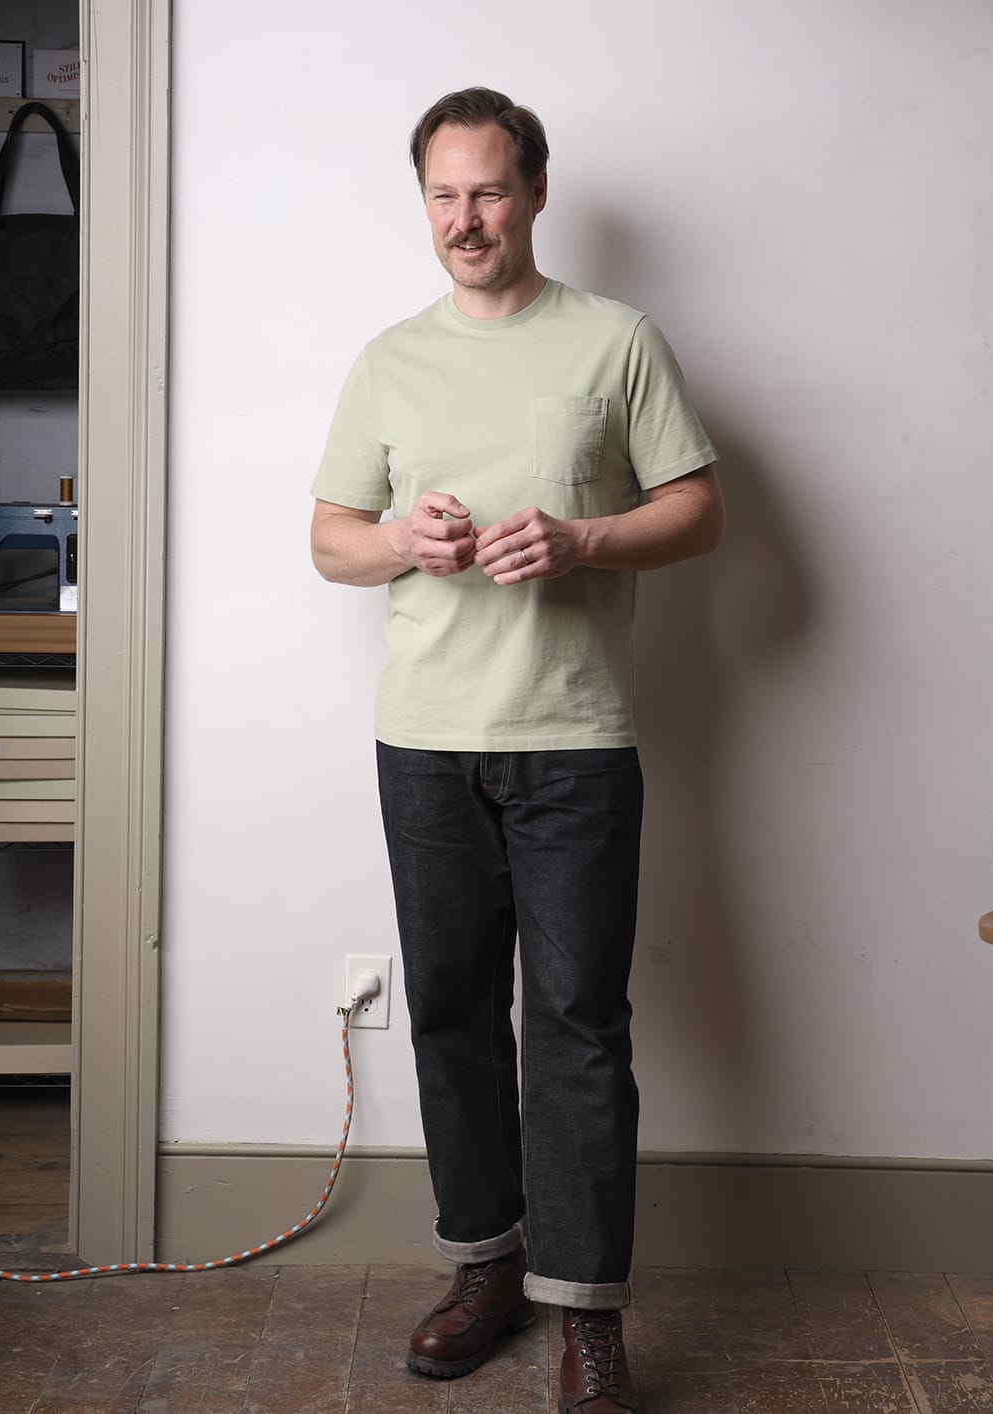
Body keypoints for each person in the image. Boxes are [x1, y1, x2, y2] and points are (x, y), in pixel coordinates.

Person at [310, 86, 723, 1414]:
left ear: (535, 192)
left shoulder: (615, 341)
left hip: (574, 746)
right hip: (424, 745)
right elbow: (331, 535)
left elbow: (699, 510)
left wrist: (586, 536)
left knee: (578, 1031)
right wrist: (402, 544)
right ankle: (485, 1266)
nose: (464, 219)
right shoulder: (389, 358)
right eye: (442, 194)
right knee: (448, 1019)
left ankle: (587, 1313)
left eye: (487, 191)